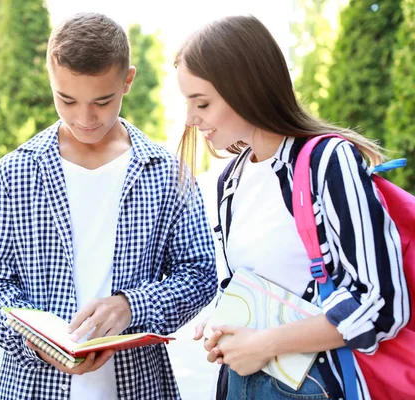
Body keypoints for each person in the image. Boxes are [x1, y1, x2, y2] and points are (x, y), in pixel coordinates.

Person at [0, 12, 217, 400]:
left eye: (102, 102)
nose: (84, 119)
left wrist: (130, 307)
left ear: (128, 81)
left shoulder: (169, 173)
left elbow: (200, 274)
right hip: (33, 387)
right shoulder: (14, 172)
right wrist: (32, 340)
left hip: (140, 386)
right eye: (66, 99)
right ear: (50, 77)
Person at [175, 15, 409, 400]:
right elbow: (262, 284)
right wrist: (226, 320)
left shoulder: (328, 161)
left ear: (246, 89)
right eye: (187, 102)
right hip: (239, 384)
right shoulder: (231, 179)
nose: (190, 118)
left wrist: (265, 344)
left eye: (202, 102)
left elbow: (382, 305)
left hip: (313, 386)